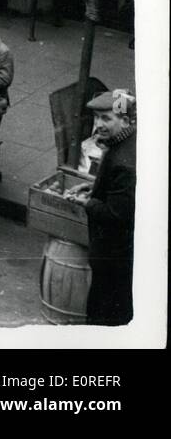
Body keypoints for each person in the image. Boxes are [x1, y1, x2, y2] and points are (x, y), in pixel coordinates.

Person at [82, 90, 136, 326]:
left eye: (106, 119)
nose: (98, 125)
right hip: (119, 255)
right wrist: (93, 187)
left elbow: (116, 214)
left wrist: (89, 202)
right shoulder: (126, 140)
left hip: (113, 254)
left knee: (104, 312)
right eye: (96, 118)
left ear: (125, 120)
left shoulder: (123, 162)